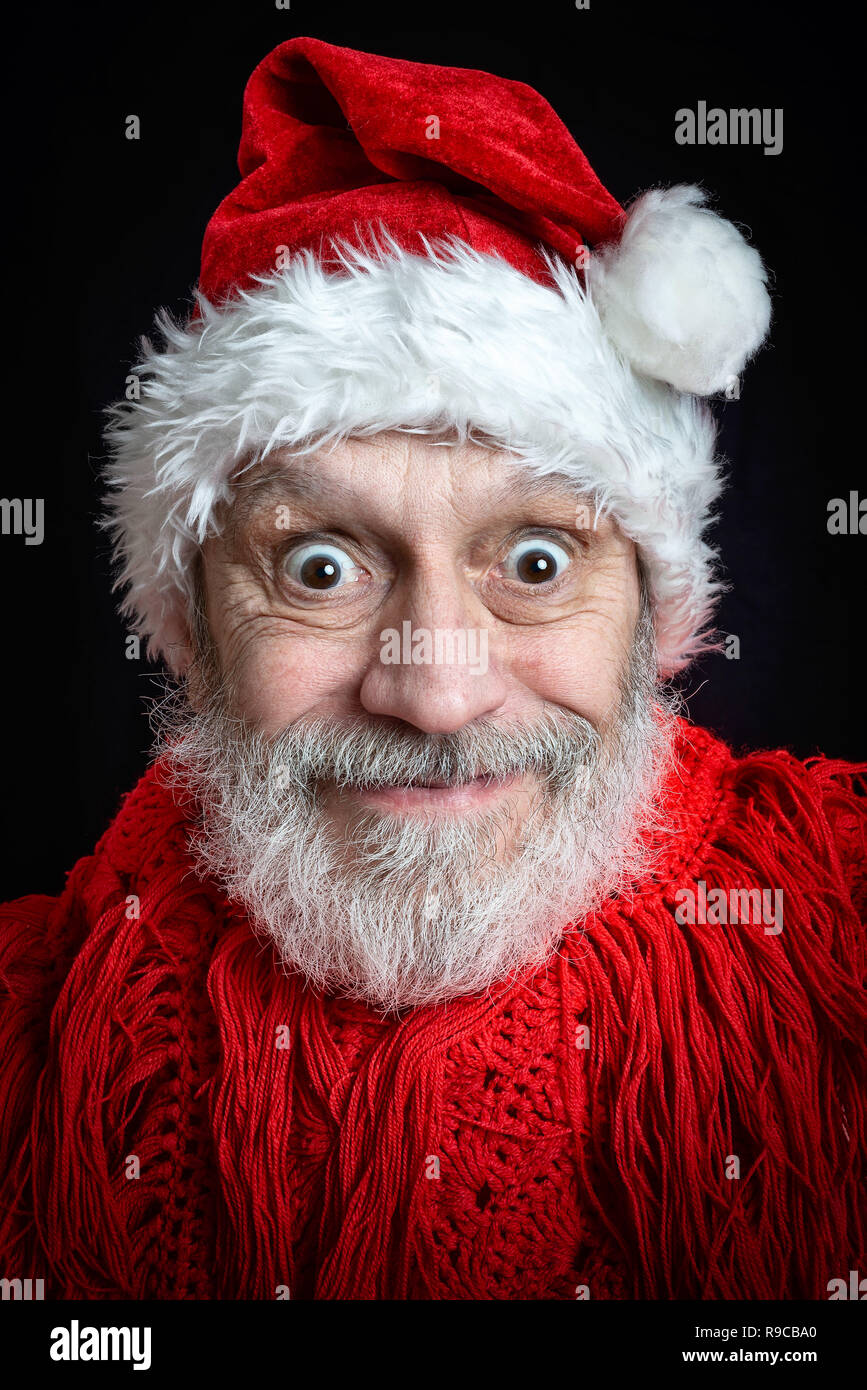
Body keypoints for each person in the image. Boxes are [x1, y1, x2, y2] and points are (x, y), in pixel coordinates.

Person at [1, 36, 863, 1301]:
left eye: (532, 559)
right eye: (318, 569)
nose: (438, 692)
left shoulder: (836, 935)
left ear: (652, 615)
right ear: (192, 623)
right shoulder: (32, 1047)